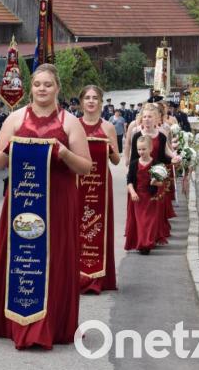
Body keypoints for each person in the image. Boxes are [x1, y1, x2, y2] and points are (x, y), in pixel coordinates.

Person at [0, 64, 92, 350]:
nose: (42, 89)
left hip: (59, 202)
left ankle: (52, 324)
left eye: (48, 85)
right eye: (37, 84)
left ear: (57, 89)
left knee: (55, 258)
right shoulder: (15, 119)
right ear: (31, 88)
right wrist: (11, 148)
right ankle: (16, 323)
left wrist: (62, 152)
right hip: (22, 202)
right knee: (20, 258)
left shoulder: (69, 122)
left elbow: (86, 167)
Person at [77, 85, 120, 294]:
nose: (91, 101)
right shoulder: (73, 125)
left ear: (101, 102)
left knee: (100, 229)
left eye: (95, 98)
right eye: (87, 98)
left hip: (101, 185)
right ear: (82, 102)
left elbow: (117, 160)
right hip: (77, 184)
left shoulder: (109, 127)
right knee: (76, 227)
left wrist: (110, 149)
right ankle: (76, 275)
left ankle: (99, 278)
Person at [124, 103, 180, 249]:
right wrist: (131, 178)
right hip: (140, 177)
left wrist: (174, 159)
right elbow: (134, 159)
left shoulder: (161, 136)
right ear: (141, 119)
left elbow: (165, 154)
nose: (147, 119)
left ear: (156, 119)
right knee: (140, 213)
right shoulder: (137, 135)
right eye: (145, 117)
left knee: (154, 212)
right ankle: (141, 239)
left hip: (156, 176)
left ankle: (151, 236)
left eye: (150, 117)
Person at [125, 135, 165, 254]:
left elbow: (161, 182)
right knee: (141, 221)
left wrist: (155, 182)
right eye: (139, 149)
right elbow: (129, 181)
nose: (141, 152)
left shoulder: (156, 164)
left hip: (151, 197)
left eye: (144, 149)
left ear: (150, 148)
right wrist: (132, 192)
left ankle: (147, 242)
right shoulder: (134, 164)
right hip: (138, 197)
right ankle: (143, 244)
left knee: (150, 221)